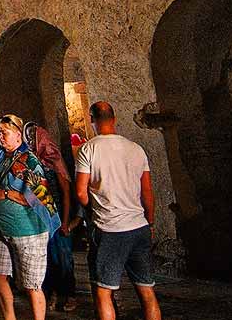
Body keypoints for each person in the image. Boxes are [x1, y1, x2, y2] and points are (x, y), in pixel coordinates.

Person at [74, 101, 160, 320]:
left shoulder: (88, 149)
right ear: (114, 119)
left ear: (91, 119)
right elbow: (147, 192)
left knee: (104, 292)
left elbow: (81, 193)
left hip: (110, 229)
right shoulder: (136, 149)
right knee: (147, 291)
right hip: (138, 226)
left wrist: (93, 211)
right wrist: (150, 222)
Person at [0, 114, 59, 320]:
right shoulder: (0, 157)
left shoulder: (29, 160)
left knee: (32, 285)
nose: (0, 136)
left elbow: (41, 198)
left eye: (4, 132)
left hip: (28, 231)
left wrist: (7, 194)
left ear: (18, 135)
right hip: (2, 230)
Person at [25, 121, 76, 310]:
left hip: (58, 216)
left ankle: (69, 294)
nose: (30, 140)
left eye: (33, 136)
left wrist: (65, 221)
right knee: (45, 258)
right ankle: (51, 292)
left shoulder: (55, 161)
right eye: (27, 137)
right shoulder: (30, 162)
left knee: (63, 257)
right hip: (40, 218)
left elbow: (65, 193)